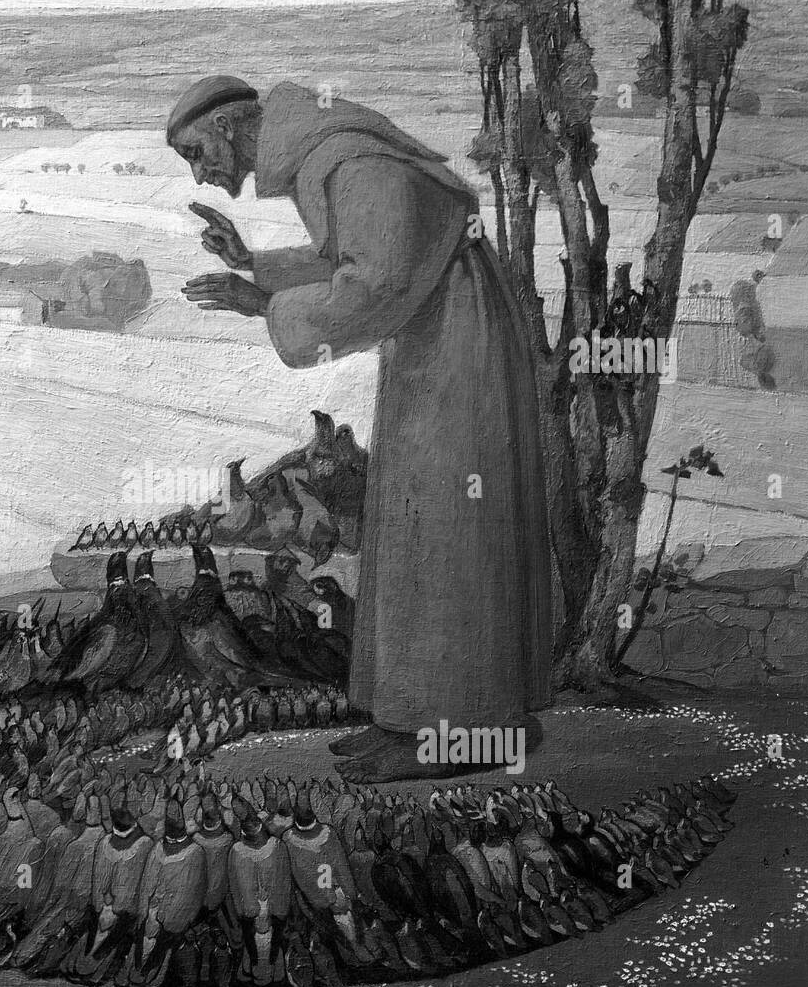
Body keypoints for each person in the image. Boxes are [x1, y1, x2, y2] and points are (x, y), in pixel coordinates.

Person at [168, 75, 552, 782]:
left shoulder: (348, 159)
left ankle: (468, 729)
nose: (200, 171)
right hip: (434, 337)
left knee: (446, 527)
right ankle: (417, 721)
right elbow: (356, 254)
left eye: (196, 151)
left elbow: (375, 284)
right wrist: (251, 260)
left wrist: (263, 305)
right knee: (417, 527)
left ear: (229, 127)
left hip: (453, 345)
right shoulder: (326, 158)